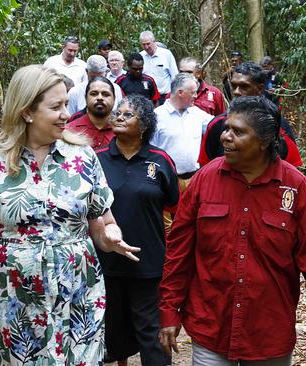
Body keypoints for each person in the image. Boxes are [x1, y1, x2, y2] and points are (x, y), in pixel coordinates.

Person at [0, 65, 140, 365]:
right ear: (27, 112)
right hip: (19, 304)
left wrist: (109, 235)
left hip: (79, 296)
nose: (67, 113)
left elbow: (104, 226)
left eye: (66, 104)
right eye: (56, 106)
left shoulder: (83, 158)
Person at [159, 96, 306, 366]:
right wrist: (169, 311)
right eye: (227, 128)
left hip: (268, 333)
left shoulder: (295, 187)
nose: (226, 137)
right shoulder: (204, 181)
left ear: (265, 141)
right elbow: (178, 253)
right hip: (211, 327)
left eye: (238, 131)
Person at [96, 95, 179, 366]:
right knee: (113, 333)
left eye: (127, 114)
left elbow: (173, 204)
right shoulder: (96, 160)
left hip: (149, 262)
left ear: (143, 125)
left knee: (151, 332)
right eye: (117, 113)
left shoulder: (160, 160)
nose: (118, 117)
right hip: (106, 262)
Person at [199, 62, 302, 167]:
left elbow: (292, 167)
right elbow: (205, 166)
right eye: (234, 86)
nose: (236, 92)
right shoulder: (217, 124)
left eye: (244, 86)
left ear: (260, 89)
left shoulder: (276, 124)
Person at [150, 72, 213, 191]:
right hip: (167, 181)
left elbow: (217, 126)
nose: (196, 96)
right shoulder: (157, 116)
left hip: (194, 180)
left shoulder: (197, 113)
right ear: (180, 92)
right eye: (193, 92)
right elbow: (149, 149)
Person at [68, 76, 116, 150]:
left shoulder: (123, 131)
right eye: (94, 94)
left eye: (105, 94)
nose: (100, 98)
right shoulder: (70, 131)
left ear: (114, 99)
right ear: (85, 98)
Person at [139, 31, 178, 105]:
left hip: (164, 96)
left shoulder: (166, 54)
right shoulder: (141, 56)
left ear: (154, 41)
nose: (146, 47)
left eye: (148, 44)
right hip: (147, 97)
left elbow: (175, 76)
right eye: (144, 44)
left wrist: (174, 95)